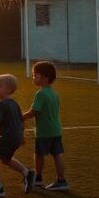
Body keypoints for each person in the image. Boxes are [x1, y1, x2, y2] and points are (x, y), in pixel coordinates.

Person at [22, 61, 68, 191]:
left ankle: (38, 178)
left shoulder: (41, 94)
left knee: (39, 154)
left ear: (44, 77)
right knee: (57, 154)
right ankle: (62, 180)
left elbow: (34, 111)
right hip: (56, 129)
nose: (33, 77)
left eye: (35, 75)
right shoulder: (54, 94)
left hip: (44, 131)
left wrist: (21, 117)